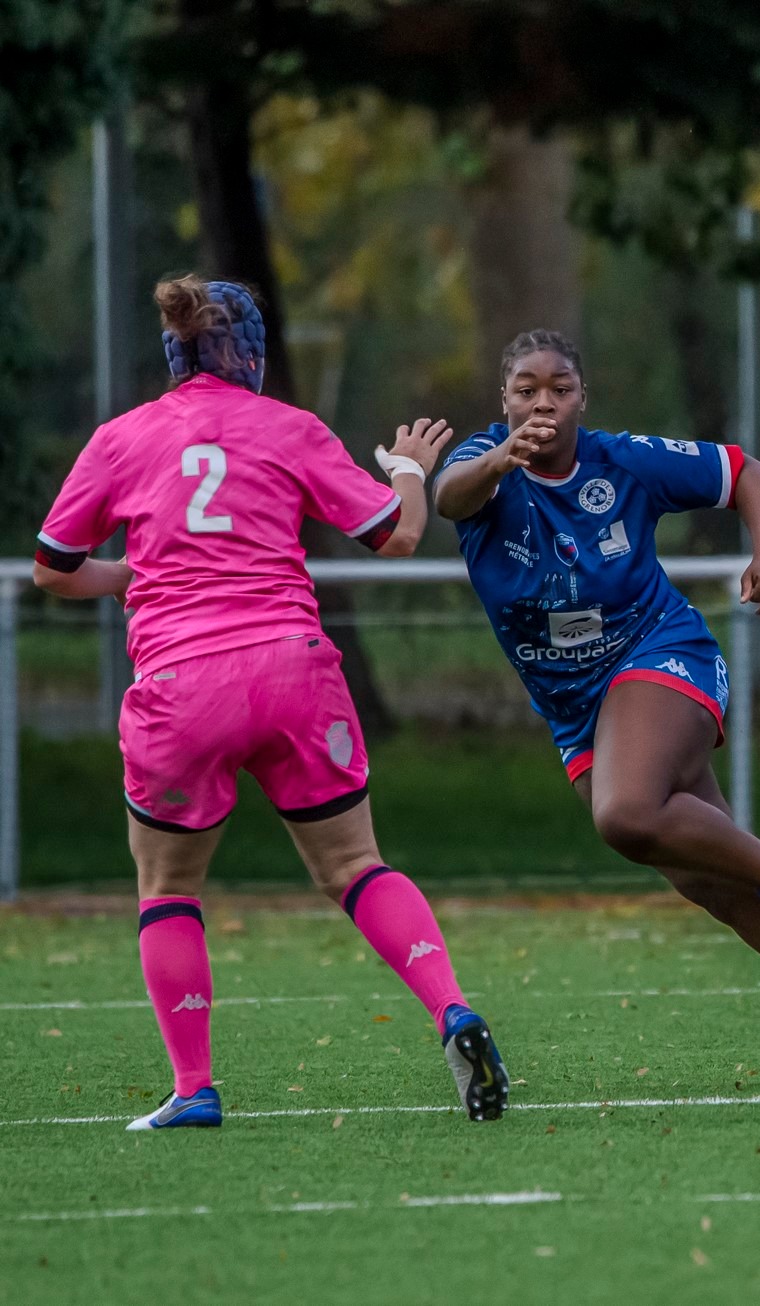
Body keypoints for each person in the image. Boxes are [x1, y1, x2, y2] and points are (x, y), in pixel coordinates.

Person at [34, 275, 507, 1130]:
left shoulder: (120, 438)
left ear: (174, 355)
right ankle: (452, 1011)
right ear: (250, 354)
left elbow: (52, 567)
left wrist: (126, 581)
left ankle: (195, 1088)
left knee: (167, 884)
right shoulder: (289, 426)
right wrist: (408, 469)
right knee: (356, 867)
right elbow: (398, 536)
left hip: (181, 685)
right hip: (293, 672)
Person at [433, 329, 760, 1089]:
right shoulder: (482, 467)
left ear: (585, 396)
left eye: (560, 388)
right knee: (720, 890)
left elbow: (748, 472)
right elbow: (450, 498)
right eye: (525, 388)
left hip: (659, 655)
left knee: (625, 815)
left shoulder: (619, 461)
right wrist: (498, 457)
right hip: (575, 707)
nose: (542, 402)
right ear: (502, 398)